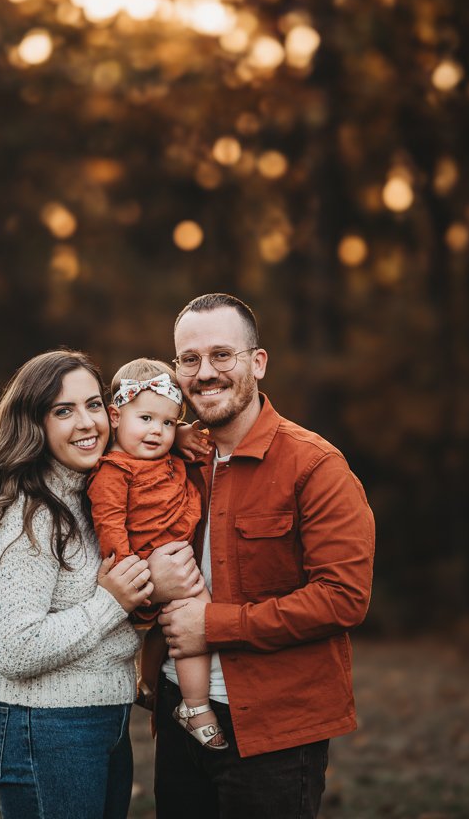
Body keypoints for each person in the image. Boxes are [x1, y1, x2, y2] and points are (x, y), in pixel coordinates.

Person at [146, 293, 375, 819]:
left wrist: (216, 625)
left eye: (222, 355)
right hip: (179, 715)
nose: (205, 373)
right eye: (189, 359)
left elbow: (343, 599)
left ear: (258, 362)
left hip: (274, 732)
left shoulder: (315, 467)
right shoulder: (172, 456)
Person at [0, 349, 155, 819]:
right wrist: (111, 603)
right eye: (64, 410)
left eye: (94, 404)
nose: (87, 423)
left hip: (104, 721)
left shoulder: (91, 495)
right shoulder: (24, 513)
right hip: (46, 727)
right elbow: (15, 649)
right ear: (33, 423)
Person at [87, 358, 227, 750]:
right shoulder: (113, 472)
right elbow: (111, 525)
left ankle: (149, 684)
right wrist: (133, 574)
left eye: (167, 423)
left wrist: (180, 433)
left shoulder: (166, 457)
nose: (157, 431)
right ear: (115, 416)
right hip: (145, 570)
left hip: (176, 560)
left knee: (175, 630)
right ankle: (196, 706)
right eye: (146, 418)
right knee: (194, 621)